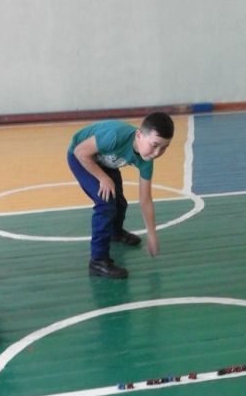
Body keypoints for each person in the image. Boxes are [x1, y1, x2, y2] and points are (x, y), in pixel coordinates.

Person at [67, 112, 174, 278]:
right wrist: (103, 178)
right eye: (154, 145)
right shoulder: (115, 136)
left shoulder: (146, 160)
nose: (156, 153)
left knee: (119, 202)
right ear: (139, 135)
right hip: (81, 157)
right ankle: (98, 261)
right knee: (106, 205)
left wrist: (152, 235)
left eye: (164, 148)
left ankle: (115, 232)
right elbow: (80, 152)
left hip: (105, 161)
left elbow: (145, 199)